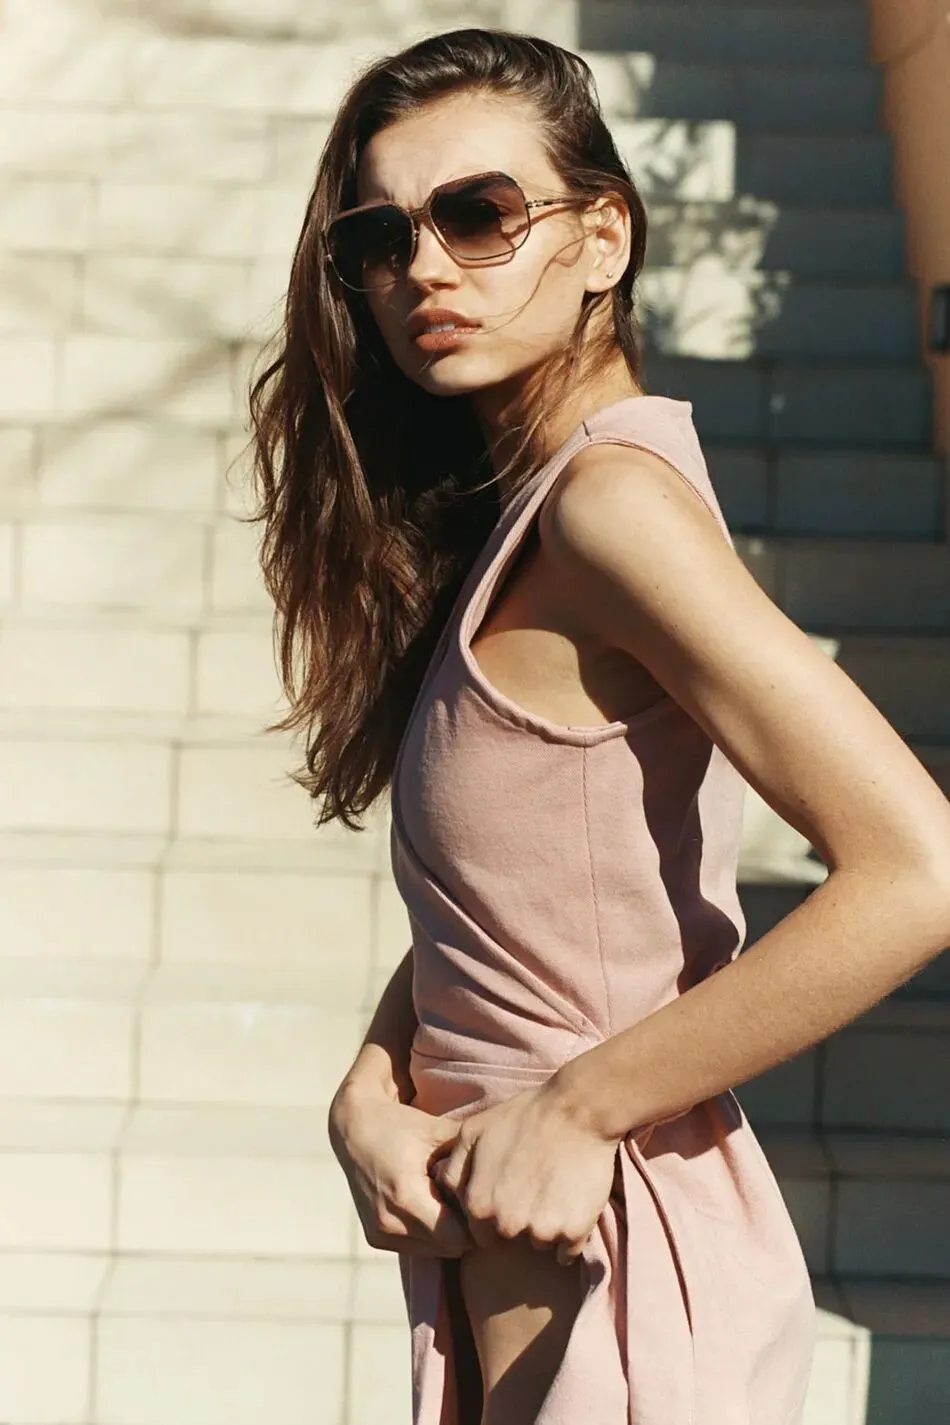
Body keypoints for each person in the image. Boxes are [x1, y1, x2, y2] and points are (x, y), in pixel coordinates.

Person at [247, 26, 950, 1425]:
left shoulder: (610, 508)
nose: (424, 268)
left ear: (602, 237)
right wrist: (372, 1085)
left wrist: (579, 1107)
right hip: (528, 1272)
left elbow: (917, 868)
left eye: (479, 213)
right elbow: (513, 917)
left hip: (617, 1274)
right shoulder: (531, 511)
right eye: (380, 237)